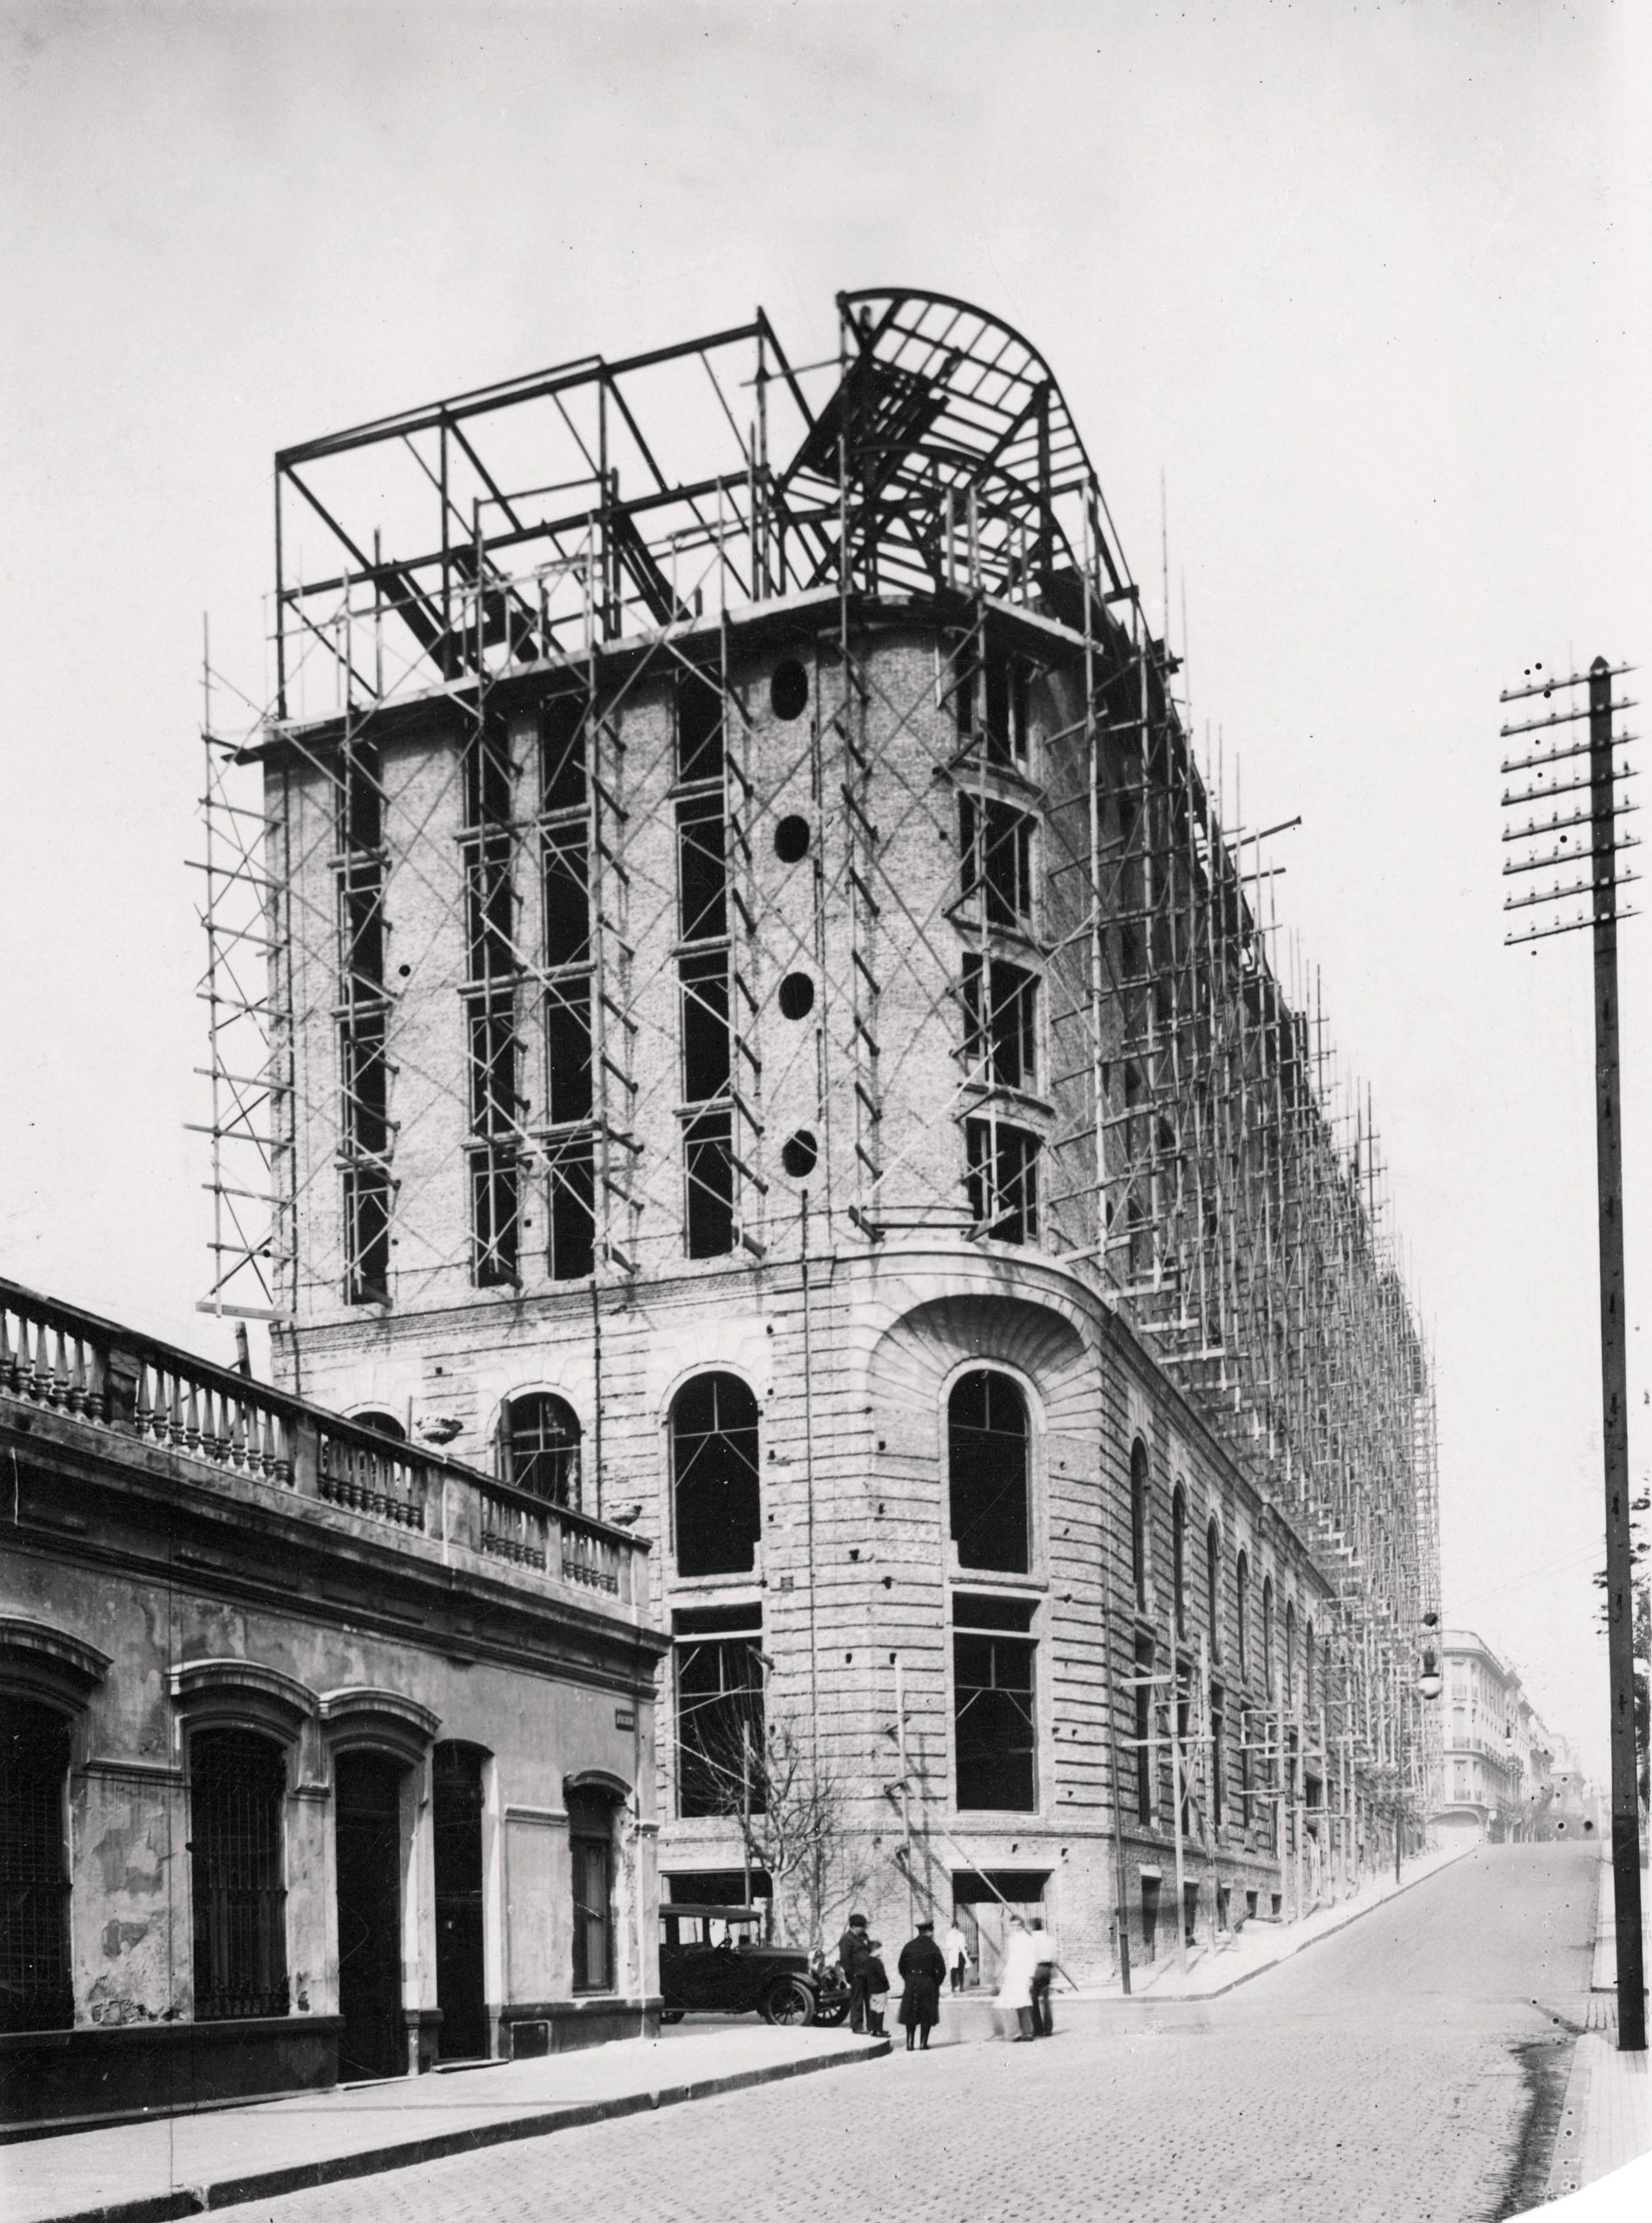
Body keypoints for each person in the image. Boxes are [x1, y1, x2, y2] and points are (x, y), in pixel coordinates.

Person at [897, 1920, 948, 2051]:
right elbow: (942, 1970)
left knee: (911, 2012)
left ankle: (909, 2044)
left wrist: (908, 1979)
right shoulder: (933, 1947)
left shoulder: (909, 1946)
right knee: (926, 2013)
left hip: (911, 1983)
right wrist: (936, 1982)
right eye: (932, 1931)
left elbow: (901, 1966)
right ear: (929, 1931)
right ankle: (923, 2044)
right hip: (928, 1983)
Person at [994, 1913, 1042, 2042]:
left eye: (1018, 1925)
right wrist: (1000, 1972)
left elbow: (1033, 1959)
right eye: (1012, 1925)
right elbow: (1006, 1957)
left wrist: (1030, 1977)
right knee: (1010, 2004)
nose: (1015, 1928)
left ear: (1022, 1926)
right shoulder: (1010, 1940)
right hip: (1011, 1975)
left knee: (1023, 2004)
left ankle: (1026, 2032)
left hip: (1023, 1975)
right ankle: (1014, 2033)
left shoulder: (1028, 1940)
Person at [837, 1912, 872, 2034]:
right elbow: (845, 1960)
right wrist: (853, 1974)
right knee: (857, 2000)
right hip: (857, 1975)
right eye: (861, 1927)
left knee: (870, 2000)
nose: (863, 1929)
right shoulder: (846, 1940)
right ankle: (857, 2026)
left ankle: (872, 2026)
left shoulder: (863, 1937)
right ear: (853, 1926)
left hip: (867, 1974)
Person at [1027, 1916, 1056, 2038]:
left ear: (1032, 1927)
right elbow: (1055, 1956)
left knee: (1033, 2000)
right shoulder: (1050, 1939)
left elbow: (1030, 1957)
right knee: (1046, 2000)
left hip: (1036, 1969)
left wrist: (1029, 1974)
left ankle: (1037, 2028)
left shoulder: (1031, 1940)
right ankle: (1048, 2029)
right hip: (1047, 1969)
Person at [863, 1938, 890, 2036]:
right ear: (876, 1950)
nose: (882, 1951)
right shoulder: (877, 1962)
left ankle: (873, 2029)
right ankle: (879, 2030)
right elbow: (882, 1976)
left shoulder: (867, 1961)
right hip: (880, 1989)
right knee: (881, 2010)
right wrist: (887, 1985)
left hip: (871, 1989)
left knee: (873, 2009)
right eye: (880, 1949)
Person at [943, 1920, 970, 1994]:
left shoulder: (961, 1935)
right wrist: (955, 1944)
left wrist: (964, 1947)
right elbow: (948, 1946)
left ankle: (961, 1987)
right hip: (953, 1955)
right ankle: (953, 1987)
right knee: (953, 1972)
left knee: (961, 1972)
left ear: (957, 1928)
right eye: (953, 1928)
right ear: (952, 1928)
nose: (955, 1930)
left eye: (956, 1928)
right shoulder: (949, 1935)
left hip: (960, 1955)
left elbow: (964, 1945)